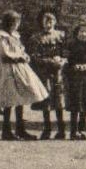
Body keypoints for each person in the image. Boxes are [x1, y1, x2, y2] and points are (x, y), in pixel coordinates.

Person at [0, 11, 48, 141]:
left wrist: (24, 55)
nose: (17, 25)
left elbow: (20, 49)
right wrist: (19, 57)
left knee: (21, 97)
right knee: (10, 99)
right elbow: (4, 55)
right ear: (10, 23)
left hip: (19, 70)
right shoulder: (2, 37)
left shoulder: (15, 36)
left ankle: (20, 129)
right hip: (8, 70)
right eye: (16, 23)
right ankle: (6, 131)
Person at [29, 11, 68, 140]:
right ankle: (47, 129)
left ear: (55, 22)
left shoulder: (61, 36)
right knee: (46, 100)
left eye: (51, 21)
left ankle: (61, 130)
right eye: (46, 21)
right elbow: (34, 57)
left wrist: (62, 60)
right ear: (42, 23)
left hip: (58, 73)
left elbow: (66, 52)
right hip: (44, 72)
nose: (48, 24)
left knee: (59, 100)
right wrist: (49, 61)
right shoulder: (36, 38)